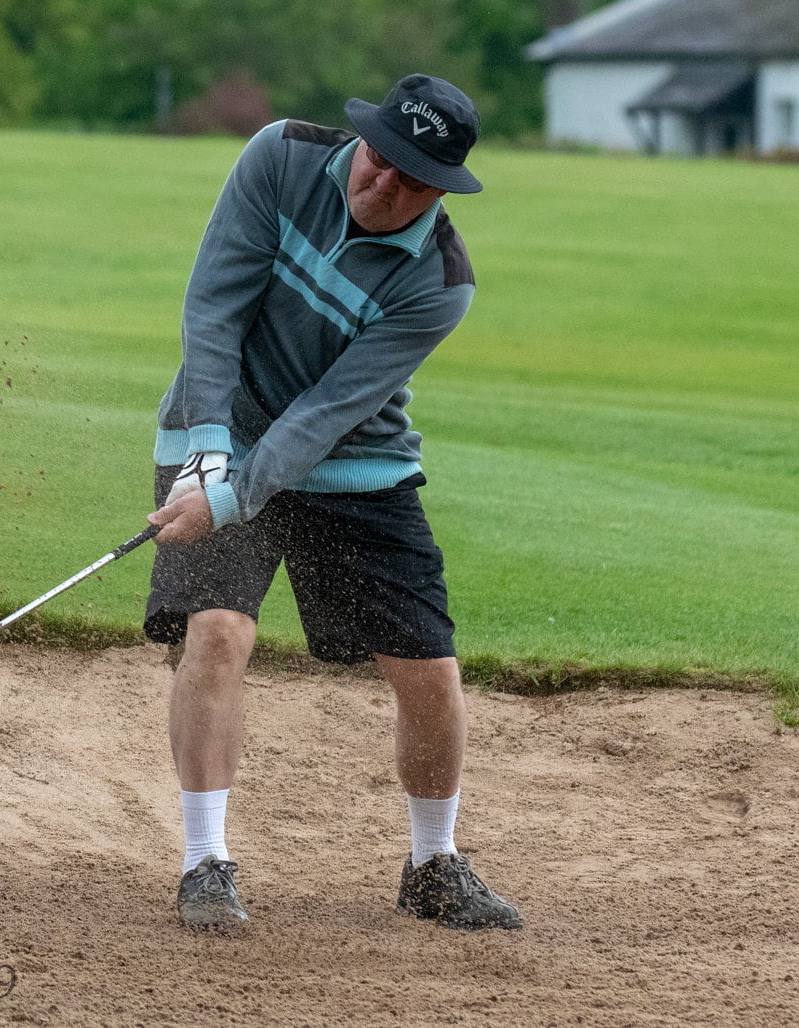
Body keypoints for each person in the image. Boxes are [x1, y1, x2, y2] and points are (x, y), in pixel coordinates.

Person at [144, 73, 521, 932]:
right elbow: (214, 306)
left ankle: (433, 865)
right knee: (218, 631)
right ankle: (205, 863)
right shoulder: (280, 156)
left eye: (411, 180)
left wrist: (233, 499)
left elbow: (325, 413)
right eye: (378, 159)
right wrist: (208, 453)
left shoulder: (439, 282)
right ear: (363, 139)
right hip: (219, 430)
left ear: (440, 190)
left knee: (428, 667)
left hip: (356, 463)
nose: (383, 184)